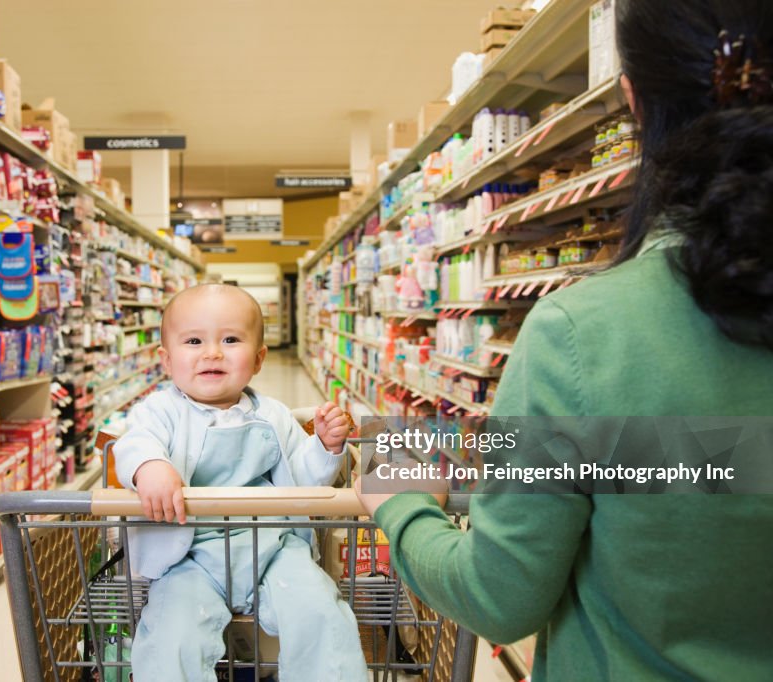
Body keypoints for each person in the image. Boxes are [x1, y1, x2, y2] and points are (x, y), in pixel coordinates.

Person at [356, 1, 773, 680]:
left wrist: (397, 500)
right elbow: (712, 461)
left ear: (631, 96)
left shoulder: (584, 335)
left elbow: (498, 595)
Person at [114, 283, 368, 682]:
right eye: (194, 340)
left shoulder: (274, 414)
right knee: (171, 639)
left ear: (259, 358)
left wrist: (323, 445)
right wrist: (150, 466)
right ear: (166, 359)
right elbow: (133, 444)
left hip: (273, 544)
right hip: (187, 554)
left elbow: (301, 477)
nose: (212, 352)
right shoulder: (159, 412)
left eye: (231, 339)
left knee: (322, 613)